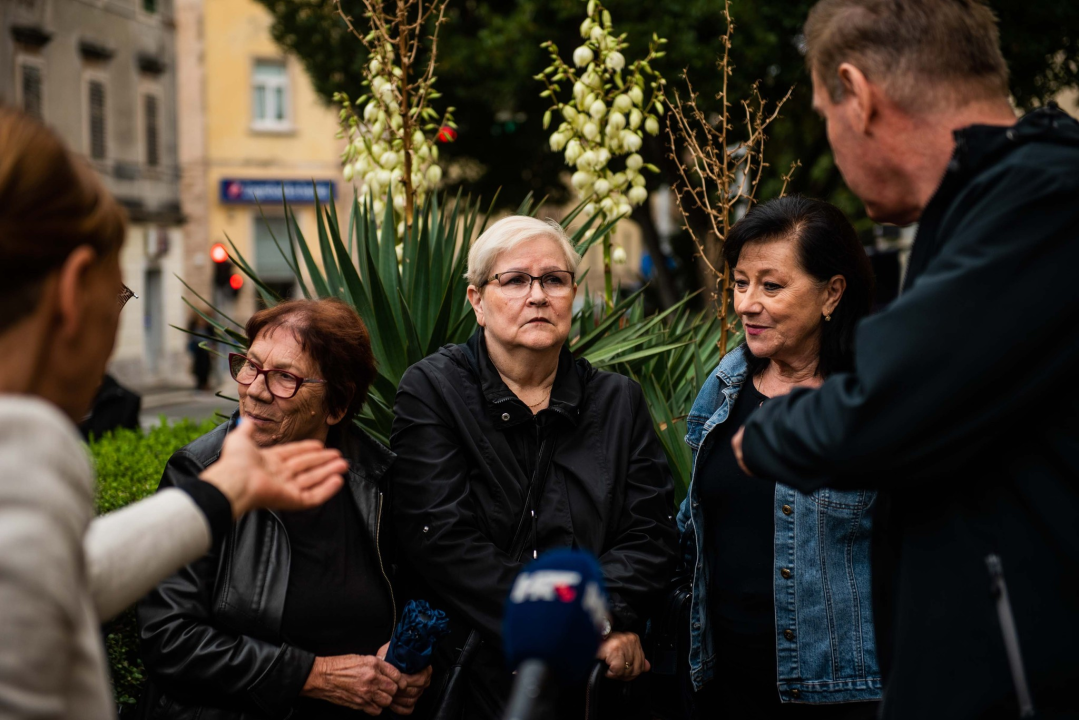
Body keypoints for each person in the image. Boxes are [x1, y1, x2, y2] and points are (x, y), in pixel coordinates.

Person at [728, 1, 1079, 717]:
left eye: (826, 112)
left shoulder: (1043, 196)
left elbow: (877, 404)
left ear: (856, 97)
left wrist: (761, 433)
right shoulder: (993, 202)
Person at [0, 109, 347, 720]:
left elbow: (57, 577)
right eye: (118, 296)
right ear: (74, 291)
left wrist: (220, 495)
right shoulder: (23, 449)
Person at [390, 215, 679, 719]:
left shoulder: (617, 401)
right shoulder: (433, 391)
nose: (538, 295)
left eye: (554, 279)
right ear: (476, 301)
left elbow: (650, 536)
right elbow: (440, 538)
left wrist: (601, 621)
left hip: (594, 685)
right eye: (516, 280)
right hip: (474, 679)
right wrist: (565, 623)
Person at [137, 298, 432, 719]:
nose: (255, 389)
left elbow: (421, 593)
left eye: (284, 378)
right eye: (250, 366)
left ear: (337, 405)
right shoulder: (199, 472)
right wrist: (311, 676)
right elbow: (168, 637)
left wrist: (410, 661)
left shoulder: (379, 478)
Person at [677, 196, 879, 718]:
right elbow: (694, 523)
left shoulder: (872, 402)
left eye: (771, 285)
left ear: (832, 293)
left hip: (839, 694)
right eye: (740, 283)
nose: (746, 303)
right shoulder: (725, 383)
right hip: (723, 682)